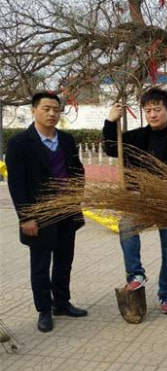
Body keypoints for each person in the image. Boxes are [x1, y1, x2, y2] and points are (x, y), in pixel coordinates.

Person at [103, 87, 167, 314]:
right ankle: (136, 274)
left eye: (157, 109)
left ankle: (166, 294)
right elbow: (111, 148)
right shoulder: (136, 138)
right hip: (140, 200)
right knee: (126, 226)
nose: (153, 115)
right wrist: (110, 121)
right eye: (148, 111)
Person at [6, 92, 88, 333]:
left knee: (64, 260)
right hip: (39, 216)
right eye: (46, 108)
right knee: (41, 264)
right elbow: (17, 184)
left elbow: (77, 171)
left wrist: (76, 197)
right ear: (34, 110)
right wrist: (26, 217)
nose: (52, 113)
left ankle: (62, 303)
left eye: (56, 109)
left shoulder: (67, 140)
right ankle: (44, 309)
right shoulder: (20, 143)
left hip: (66, 211)